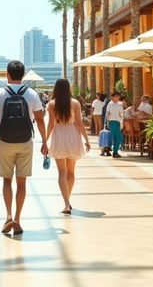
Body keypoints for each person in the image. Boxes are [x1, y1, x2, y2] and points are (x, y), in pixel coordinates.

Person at [0, 60, 47, 236]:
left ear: (7, 74)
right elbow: (40, 119)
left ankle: (8, 216)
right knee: (22, 181)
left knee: (7, 180)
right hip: (25, 141)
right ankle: (18, 221)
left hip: (4, 141)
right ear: (23, 75)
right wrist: (44, 141)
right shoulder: (32, 94)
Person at [46, 79, 90, 214]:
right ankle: (67, 200)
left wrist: (45, 141)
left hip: (59, 135)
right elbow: (79, 123)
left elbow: (51, 124)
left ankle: (66, 202)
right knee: (71, 172)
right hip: (72, 135)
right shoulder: (75, 103)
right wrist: (86, 139)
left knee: (62, 172)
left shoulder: (51, 104)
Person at [105, 91, 125, 158]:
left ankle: (113, 150)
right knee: (117, 137)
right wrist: (107, 122)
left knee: (117, 137)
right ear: (112, 97)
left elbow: (122, 113)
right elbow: (107, 113)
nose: (117, 97)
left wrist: (121, 122)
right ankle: (114, 151)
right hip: (112, 122)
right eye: (115, 96)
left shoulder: (119, 105)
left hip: (118, 122)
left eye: (118, 96)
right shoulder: (110, 104)